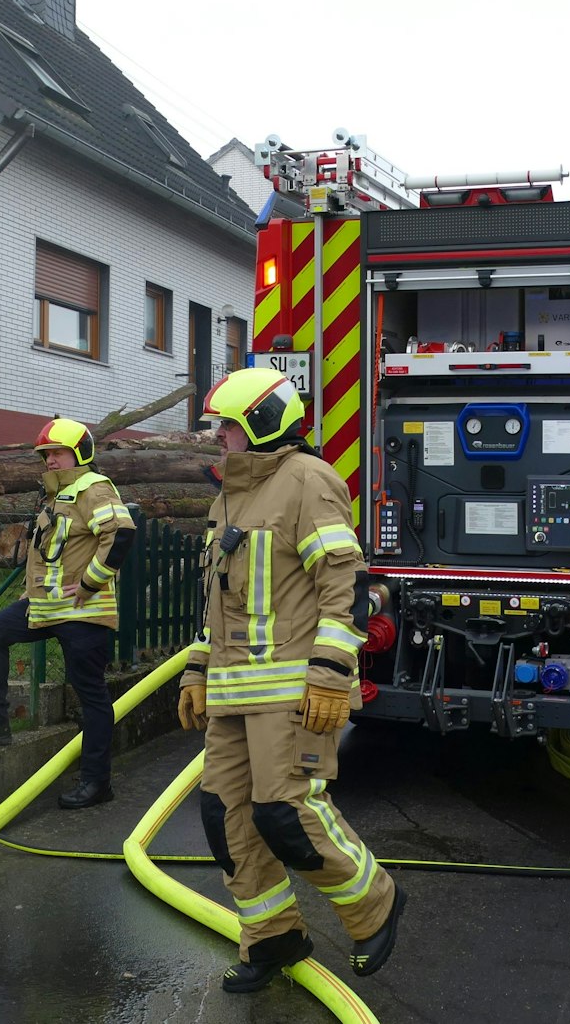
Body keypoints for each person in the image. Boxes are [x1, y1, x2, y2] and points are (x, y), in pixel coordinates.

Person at [176, 368, 405, 993]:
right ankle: (273, 937)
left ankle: (376, 905)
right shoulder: (229, 496)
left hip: (290, 696)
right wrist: (198, 668)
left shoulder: (308, 482)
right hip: (231, 695)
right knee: (224, 818)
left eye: (226, 426)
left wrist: (332, 675)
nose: (218, 438)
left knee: (286, 816)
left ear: (263, 423)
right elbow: (215, 601)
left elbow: (346, 590)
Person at [0, 417, 136, 810]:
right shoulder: (55, 495)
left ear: (79, 454)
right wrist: (27, 593)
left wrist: (88, 584)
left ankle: (97, 782)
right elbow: (47, 552)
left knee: (91, 696)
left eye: (58, 453)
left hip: (83, 614)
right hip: (46, 608)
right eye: (46, 454)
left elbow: (121, 534)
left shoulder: (93, 489)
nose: (50, 461)